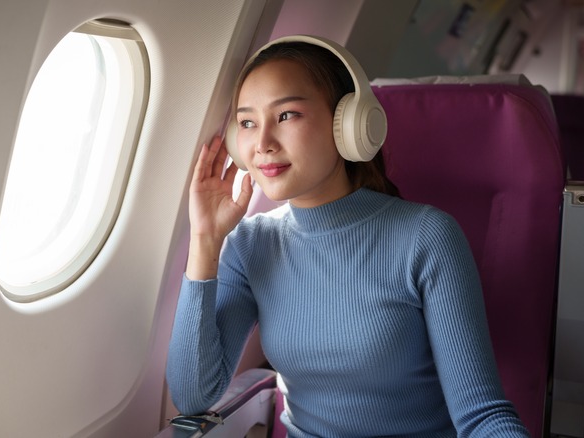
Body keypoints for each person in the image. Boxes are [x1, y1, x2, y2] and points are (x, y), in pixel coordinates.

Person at [166, 35, 530, 437]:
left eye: (286, 115)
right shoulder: (249, 245)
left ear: (348, 124)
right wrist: (205, 240)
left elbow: (482, 417)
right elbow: (194, 396)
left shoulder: (427, 237)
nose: (263, 144)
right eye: (248, 123)